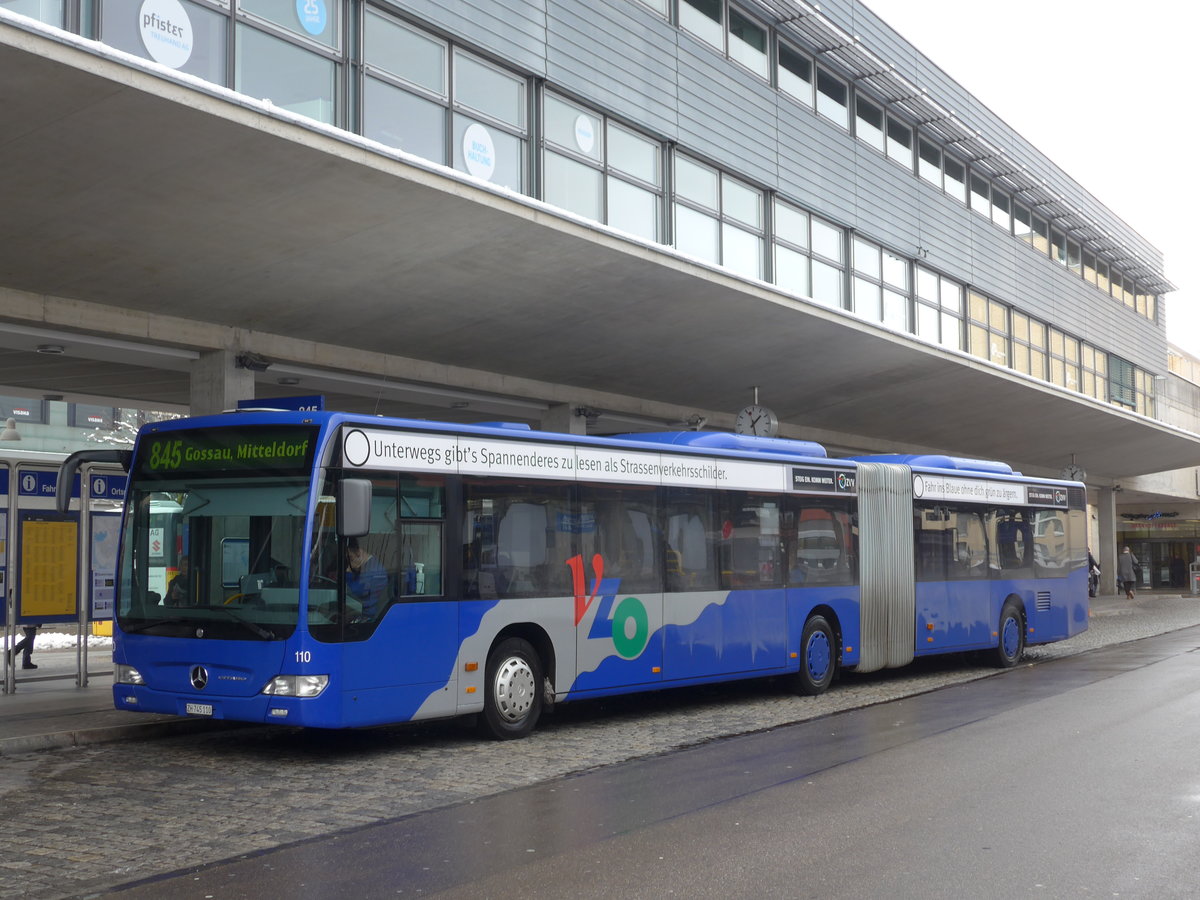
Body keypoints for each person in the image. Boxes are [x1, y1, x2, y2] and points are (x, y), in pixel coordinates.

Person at [345, 538, 387, 620]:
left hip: (370, 616)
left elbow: (354, 592)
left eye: (351, 558)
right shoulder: (369, 565)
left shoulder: (373, 570)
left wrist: (349, 572)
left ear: (359, 552)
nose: (350, 563)